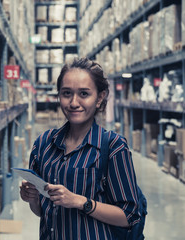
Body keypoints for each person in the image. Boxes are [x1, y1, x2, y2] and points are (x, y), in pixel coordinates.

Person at [20, 57, 141, 239]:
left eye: (84, 94)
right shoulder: (43, 144)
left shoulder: (113, 147)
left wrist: (79, 201)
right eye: (67, 93)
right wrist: (32, 198)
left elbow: (129, 216)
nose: (74, 102)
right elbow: (42, 212)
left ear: (99, 98)